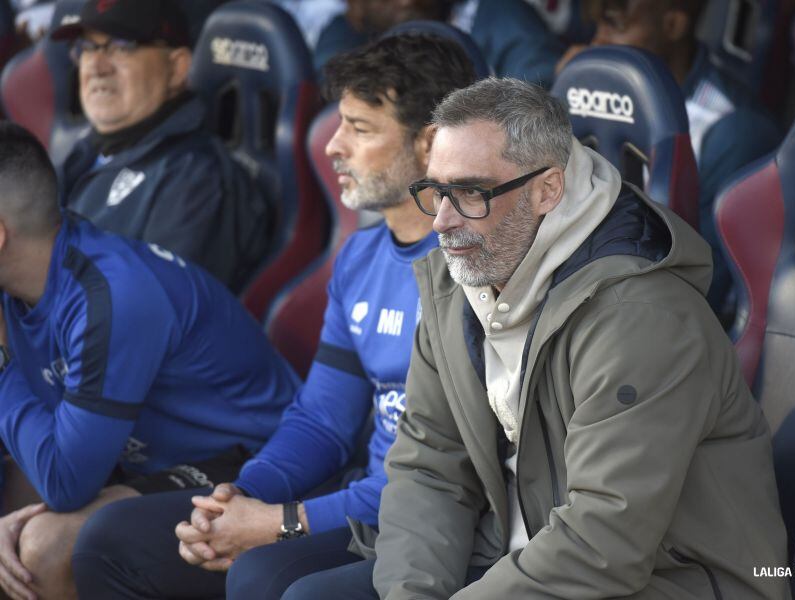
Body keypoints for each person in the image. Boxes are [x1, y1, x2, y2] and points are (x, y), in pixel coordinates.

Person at [276, 77, 790, 599]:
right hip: (512, 551)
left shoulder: (643, 318)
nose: (442, 223)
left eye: (471, 193)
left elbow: (602, 543)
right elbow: (430, 467)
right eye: (436, 192)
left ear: (547, 190)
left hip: (664, 579)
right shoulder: (454, 280)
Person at [70, 33, 477, 600]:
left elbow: (444, 477)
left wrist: (283, 522)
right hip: (362, 498)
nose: (332, 146)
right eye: (339, 124)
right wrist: (239, 497)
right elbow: (322, 421)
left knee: (264, 577)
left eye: (360, 129)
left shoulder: (476, 271)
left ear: (431, 143)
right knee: (110, 539)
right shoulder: (359, 257)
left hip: (433, 520)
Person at [0, 121, 299, 600]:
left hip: (251, 462)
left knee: (43, 549)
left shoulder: (111, 296)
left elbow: (65, 484)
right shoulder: (24, 284)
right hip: (141, 462)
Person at [558, 0, 781, 320]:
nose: (598, 42)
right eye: (597, 27)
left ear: (673, 26)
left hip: (665, 321)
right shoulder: (579, 95)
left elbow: (705, 285)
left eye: (616, 27)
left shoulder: (731, 128)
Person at [51, 0, 274, 293]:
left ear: (178, 67)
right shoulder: (89, 149)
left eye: (121, 46)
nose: (96, 66)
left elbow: (151, 320)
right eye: (87, 47)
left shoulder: (196, 179)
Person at [313, 0, 564, 87]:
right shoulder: (347, 29)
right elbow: (331, 97)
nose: (406, 1)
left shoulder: (498, 15)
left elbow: (537, 98)